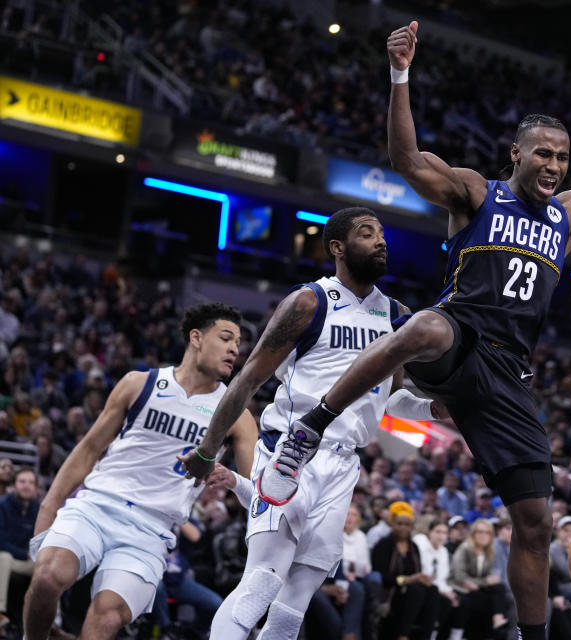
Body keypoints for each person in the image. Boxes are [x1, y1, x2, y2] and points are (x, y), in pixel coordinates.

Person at [252, 20, 571, 640]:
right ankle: (309, 428)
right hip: (459, 336)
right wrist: (401, 74)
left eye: (563, 157)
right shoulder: (474, 194)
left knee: (537, 521)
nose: (553, 165)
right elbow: (406, 158)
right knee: (425, 329)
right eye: (542, 153)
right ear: (515, 154)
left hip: (510, 373)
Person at [178, 207, 447, 639]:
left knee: (295, 603)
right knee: (261, 583)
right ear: (338, 248)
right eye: (366, 234)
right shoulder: (310, 301)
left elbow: (391, 398)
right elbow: (248, 379)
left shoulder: (397, 314)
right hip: (291, 451)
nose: (381, 241)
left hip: (343, 464)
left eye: (382, 234)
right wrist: (208, 449)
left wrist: (432, 410)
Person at [23, 303, 259, 640]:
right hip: (97, 506)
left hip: (151, 530)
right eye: (226, 338)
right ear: (196, 337)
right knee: (47, 578)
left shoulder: (236, 414)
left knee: (105, 618)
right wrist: (49, 506)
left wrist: (233, 478)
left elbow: (257, 489)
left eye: (238, 342)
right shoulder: (140, 383)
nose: (235, 348)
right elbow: (88, 449)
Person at [372, 502, 439, 640]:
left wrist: (423, 579)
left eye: (407, 524)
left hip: (412, 593)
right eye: (399, 523)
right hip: (390, 593)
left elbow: (417, 572)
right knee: (417, 590)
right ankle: (403, 635)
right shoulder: (383, 544)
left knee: (432, 589)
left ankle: (427, 635)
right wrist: (407, 580)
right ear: (392, 524)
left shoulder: (413, 547)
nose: (403, 527)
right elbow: (382, 576)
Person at [449, 518, 511, 638]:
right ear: (473, 534)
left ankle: (498, 619)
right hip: (461, 588)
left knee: (499, 588)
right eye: (480, 532)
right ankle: (493, 626)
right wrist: (485, 581)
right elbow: (459, 576)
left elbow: (490, 577)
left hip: (477, 588)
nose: (484, 536)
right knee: (487, 601)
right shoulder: (465, 548)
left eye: (487, 533)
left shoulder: (489, 551)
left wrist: (484, 582)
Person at [0, 468, 40, 633]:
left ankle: (51, 620)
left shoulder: (39, 508)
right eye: (22, 482)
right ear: (14, 486)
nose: (27, 486)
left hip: (28, 559)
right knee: (3, 557)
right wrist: (24, 553)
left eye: (31, 483)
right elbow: (1, 541)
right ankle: (0, 613)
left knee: (50, 567)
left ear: (36, 488)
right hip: (10, 558)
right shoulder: (2, 505)